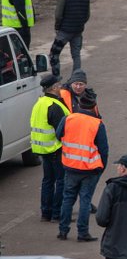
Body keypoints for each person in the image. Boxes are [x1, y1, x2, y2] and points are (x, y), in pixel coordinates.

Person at [56, 91, 108, 241]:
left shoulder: (67, 119)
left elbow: (59, 135)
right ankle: (82, 233)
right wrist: (101, 168)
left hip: (70, 166)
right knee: (85, 201)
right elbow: (104, 149)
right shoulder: (97, 124)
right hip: (90, 169)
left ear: (79, 105)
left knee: (68, 198)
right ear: (93, 107)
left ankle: (63, 231)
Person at [31, 74, 70, 222]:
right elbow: (62, 130)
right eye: (59, 85)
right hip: (55, 148)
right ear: (54, 88)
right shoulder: (55, 106)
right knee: (61, 181)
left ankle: (45, 213)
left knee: (47, 180)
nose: (61, 87)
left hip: (42, 149)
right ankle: (56, 213)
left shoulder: (40, 103)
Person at [49, 0, 90, 78]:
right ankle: (76, 78)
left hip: (64, 31)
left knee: (54, 54)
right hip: (78, 31)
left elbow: (58, 15)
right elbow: (87, 15)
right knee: (76, 55)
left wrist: (57, 27)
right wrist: (80, 24)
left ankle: (56, 78)